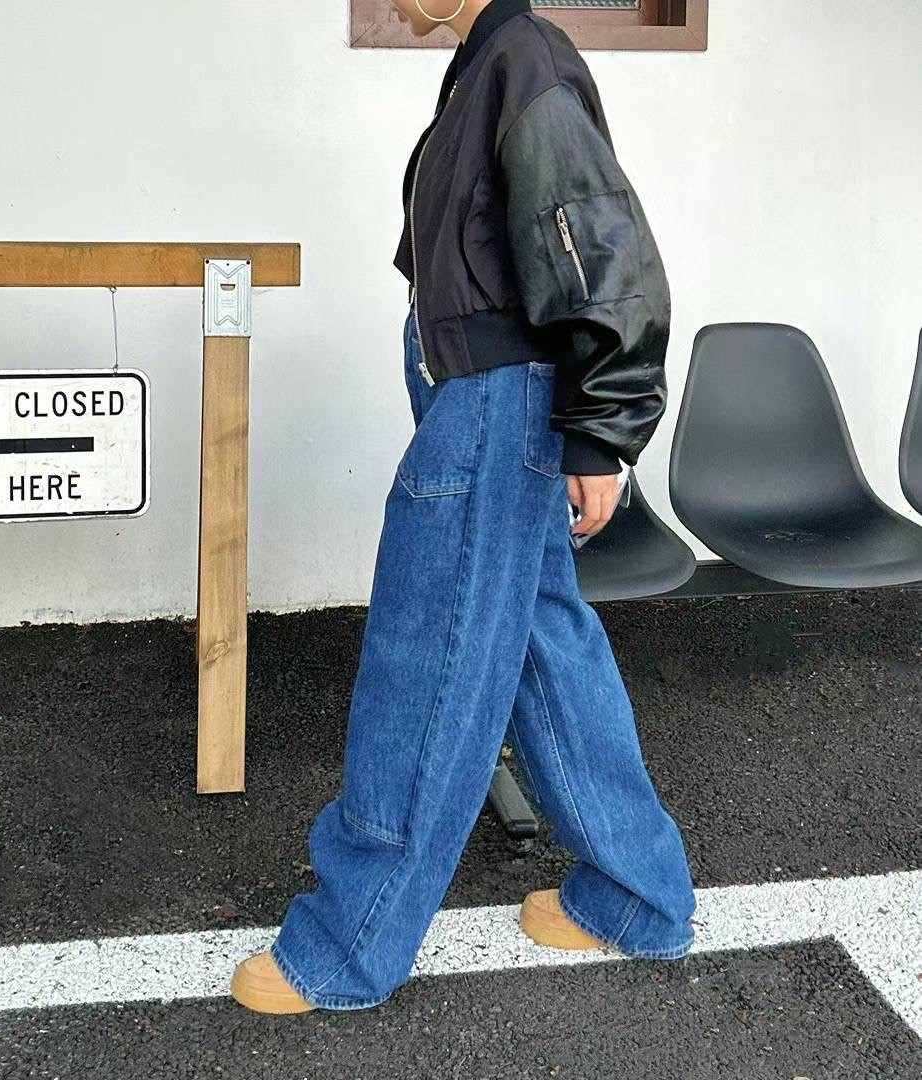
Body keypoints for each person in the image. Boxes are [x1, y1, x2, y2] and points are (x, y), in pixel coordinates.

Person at [230, 0, 696, 1014]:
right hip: (487, 396)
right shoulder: (492, 64)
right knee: (540, 645)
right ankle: (638, 894)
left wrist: (600, 431)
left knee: (430, 658)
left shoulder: (524, 59)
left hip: (494, 405)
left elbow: (607, 255)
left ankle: (348, 946)